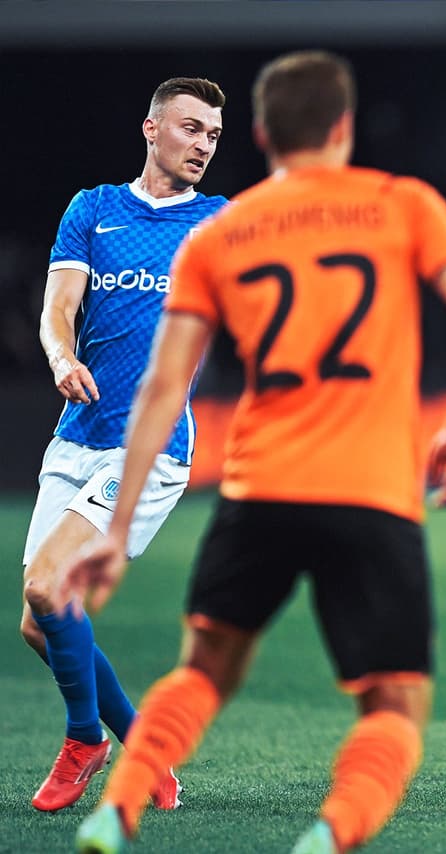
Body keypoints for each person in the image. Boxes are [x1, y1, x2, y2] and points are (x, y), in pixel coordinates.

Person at [60, 50, 446, 854]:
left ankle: (117, 807)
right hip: (371, 492)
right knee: (394, 705)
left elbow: (163, 388)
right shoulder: (401, 202)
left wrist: (116, 533)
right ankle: (329, 834)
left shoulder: (222, 231)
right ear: (342, 126)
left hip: (258, 488)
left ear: (261, 134)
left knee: (204, 672)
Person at [20, 76, 227, 813]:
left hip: (153, 446)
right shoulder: (95, 209)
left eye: (212, 134)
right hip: (78, 436)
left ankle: (86, 740)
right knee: (38, 625)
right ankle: (147, 754)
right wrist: (59, 357)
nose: (204, 144)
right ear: (152, 128)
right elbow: (58, 310)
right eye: (191, 128)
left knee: (50, 588)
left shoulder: (217, 223)